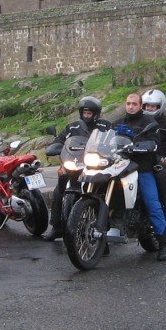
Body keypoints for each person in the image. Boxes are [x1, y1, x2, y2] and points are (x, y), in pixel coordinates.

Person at [41, 96, 111, 241]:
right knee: (59, 190)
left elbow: (114, 142)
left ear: (96, 113)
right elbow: (60, 141)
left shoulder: (105, 127)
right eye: (84, 113)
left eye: (89, 113)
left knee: (105, 194)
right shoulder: (72, 127)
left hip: (95, 168)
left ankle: (103, 228)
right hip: (75, 166)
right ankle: (56, 227)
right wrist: (55, 147)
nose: (86, 116)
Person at [137, 88, 166, 260]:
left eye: (153, 106)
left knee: (159, 180)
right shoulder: (137, 120)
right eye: (146, 105)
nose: (149, 108)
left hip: (157, 161)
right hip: (136, 161)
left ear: (160, 106)